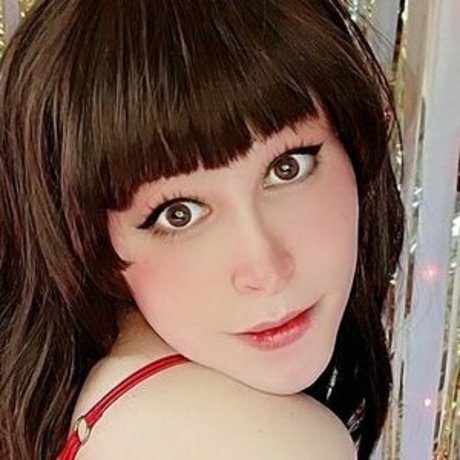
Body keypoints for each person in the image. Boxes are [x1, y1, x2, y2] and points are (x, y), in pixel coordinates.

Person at [0, 0, 404, 459]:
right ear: (88, 239)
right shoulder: (271, 443)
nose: (266, 271)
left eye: (288, 167)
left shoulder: (106, 389)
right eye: (179, 214)